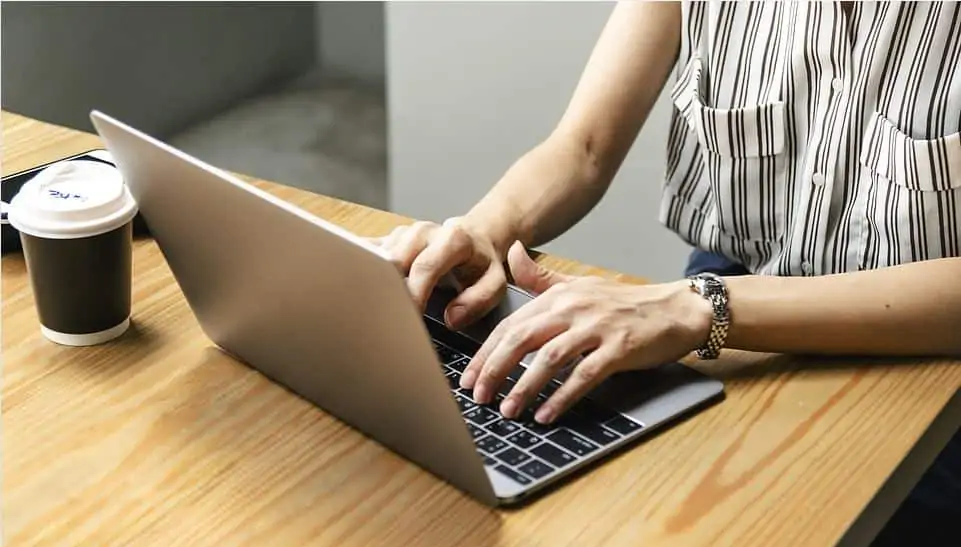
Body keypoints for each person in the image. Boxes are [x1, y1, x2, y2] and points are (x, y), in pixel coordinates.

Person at [372, 2, 961, 513]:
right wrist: (485, 230)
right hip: (726, 317)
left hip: (928, 371)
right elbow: (583, 149)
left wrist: (702, 307)